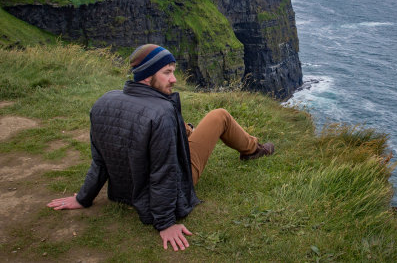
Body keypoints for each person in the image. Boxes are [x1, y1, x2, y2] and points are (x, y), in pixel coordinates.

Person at [47, 44, 274, 251]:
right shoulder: (162, 113)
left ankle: (189, 132)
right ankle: (253, 150)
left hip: (127, 188)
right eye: (167, 72)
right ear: (146, 75)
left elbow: (99, 160)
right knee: (219, 115)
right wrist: (165, 223)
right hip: (169, 184)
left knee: (180, 126)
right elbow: (164, 173)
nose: (174, 79)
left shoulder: (104, 102)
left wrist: (83, 198)